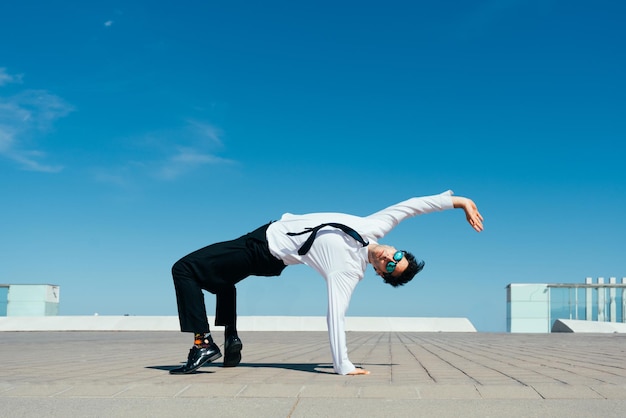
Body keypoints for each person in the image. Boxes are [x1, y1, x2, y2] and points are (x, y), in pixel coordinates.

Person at [169, 189, 483, 376]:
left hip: (262, 251)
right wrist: (461, 202)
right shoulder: (376, 226)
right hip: (261, 237)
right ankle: (231, 339)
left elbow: (336, 315)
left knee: (184, 269)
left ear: (380, 273)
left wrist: (343, 364)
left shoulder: (348, 270)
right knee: (222, 278)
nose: (389, 257)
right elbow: (413, 206)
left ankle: (203, 343)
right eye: (396, 255)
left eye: (390, 267)